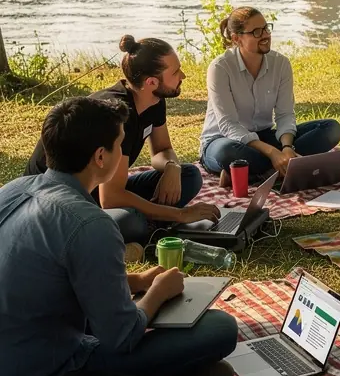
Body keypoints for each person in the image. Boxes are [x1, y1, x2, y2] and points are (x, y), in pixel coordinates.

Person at [0, 96, 239, 376]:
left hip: (18, 356)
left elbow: (53, 275)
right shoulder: (89, 223)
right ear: (101, 156)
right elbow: (122, 337)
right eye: (119, 145)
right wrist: (156, 291)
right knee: (221, 329)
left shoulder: (12, 190)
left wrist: (136, 280)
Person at [25, 35, 216, 246]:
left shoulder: (154, 100)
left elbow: (162, 149)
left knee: (189, 175)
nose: (183, 75)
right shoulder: (118, 114)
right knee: (132, 222)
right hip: (60, 197)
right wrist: (179, 214)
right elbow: (111, 198)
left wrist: (172, 167)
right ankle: (147, 225)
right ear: (151, 82)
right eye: (175, 71)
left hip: (100, 187)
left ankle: (151, 221)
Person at [199, 7, 340, 182]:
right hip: (223, 140)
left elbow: (285, 114)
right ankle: (283, 167)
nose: (266, 35)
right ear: (237, 39)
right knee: (228, 153)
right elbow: (228, 125)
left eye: (266, 28)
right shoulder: (220, 68)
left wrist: (287, 146)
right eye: (256, 32)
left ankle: (253, 172)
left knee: (330, 129)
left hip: (264, 136)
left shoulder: (280, 64)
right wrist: (273, 152)